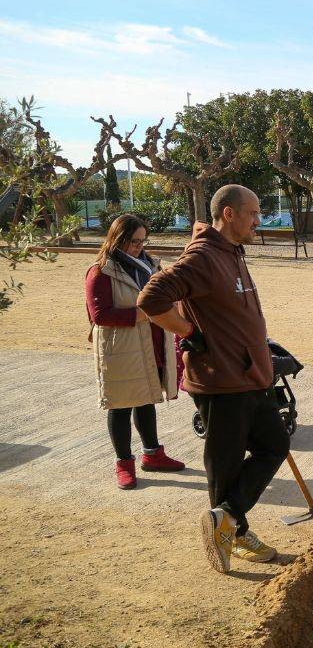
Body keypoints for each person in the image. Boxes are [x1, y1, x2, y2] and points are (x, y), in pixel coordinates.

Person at [138, 184, 287, 573]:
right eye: (253, 213)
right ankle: (231, 537)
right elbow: (151, 299)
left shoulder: (232, 253)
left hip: (250, 376)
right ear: (229, 214)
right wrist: (187, 331)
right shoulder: (203, 256)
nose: (258, 220)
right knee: (225, 465)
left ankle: (229, 518)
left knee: (275, 444)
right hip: (222, 381)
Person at [85, 214, 184, 489]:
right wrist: (143, 314)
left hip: (150, 341)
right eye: (133, 241)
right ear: (118, 239)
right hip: (121, 348)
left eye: (142, 241)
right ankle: (123, 463)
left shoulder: (149, 264)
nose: (138, 246)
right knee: (120, 405)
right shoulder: (101, 270)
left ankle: (153, 454)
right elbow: (99, 314)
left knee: (146, 398)